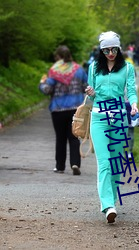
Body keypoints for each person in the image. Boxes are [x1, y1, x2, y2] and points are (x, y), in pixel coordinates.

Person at [85, 31, 138, 223]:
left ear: (119, 48)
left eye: (113, 49)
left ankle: (112, 200)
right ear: (101, 50)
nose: (110, 53)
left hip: (119, 119)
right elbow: (91, 97)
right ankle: (108, 205)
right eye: (106, 50)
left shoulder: (127, 68)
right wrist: (90, 92)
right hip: (98, 118)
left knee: (116, 164)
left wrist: (133, 104)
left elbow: (131, 90)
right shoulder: (93, 68)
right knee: (105, 163)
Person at [39, 45, 88, 175]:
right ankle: (75, 163)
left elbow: (47, 90)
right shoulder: (79, 70)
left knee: (60, 138)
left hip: (58, 109)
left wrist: (42, 83)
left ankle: (60, 166)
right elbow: (86, 87)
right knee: (74, 137)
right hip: (75, 109)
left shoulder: (54, 71)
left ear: (58, 57)